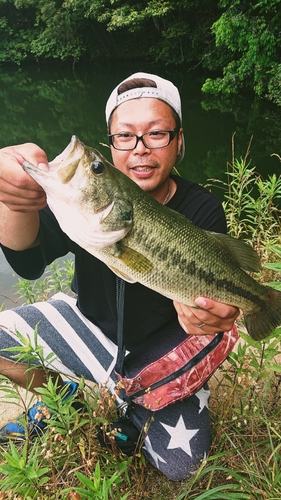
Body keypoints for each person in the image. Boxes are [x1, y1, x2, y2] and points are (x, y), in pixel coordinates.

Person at [0, 72, 239, 481]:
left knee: (183, 467)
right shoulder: (84, 201)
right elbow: (26, 260)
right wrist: (13, 200)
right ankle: (68, 400)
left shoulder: (202, 208)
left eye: (157, 134)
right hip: (90, 323)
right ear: (112, 147)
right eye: (124, 136)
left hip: (160, 351)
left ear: (179, 141)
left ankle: (129, 412)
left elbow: (218, 303)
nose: (140, 150)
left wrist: (215, 316)